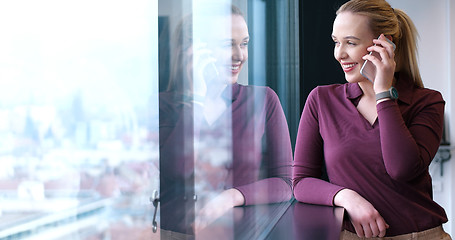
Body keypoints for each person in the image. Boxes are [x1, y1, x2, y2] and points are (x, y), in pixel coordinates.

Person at [293, 0, 451, 239]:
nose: (339, 54)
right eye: (336, 42)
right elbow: (301, 182)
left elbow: (401, 169)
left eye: (351, 42)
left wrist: (383, 93)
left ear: (384, 44)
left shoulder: (427, 102)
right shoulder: (321, 100)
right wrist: (347, 197)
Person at [159, 4, 293, 237]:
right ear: (195, 50)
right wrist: (197, 100)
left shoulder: (263, 100)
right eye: (227, 44)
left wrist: (231, 197)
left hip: (243, 233)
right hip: (177, 235)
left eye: (244, 43)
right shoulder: (163, 105)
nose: (240, 56)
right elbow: (177, 170)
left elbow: (287, 184)